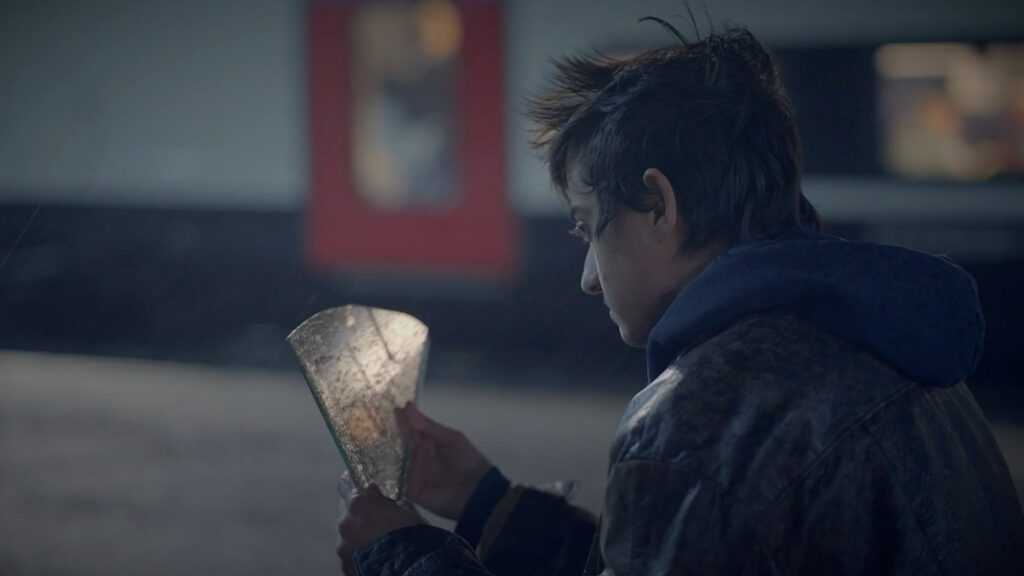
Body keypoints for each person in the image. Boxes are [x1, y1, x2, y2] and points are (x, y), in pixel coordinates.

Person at [334, 23, 1024, 575]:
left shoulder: (697, 420)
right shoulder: (895, 351)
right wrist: (490, 504)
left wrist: (404, 556)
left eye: (586, 225)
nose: (588, 278)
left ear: (660, 206)